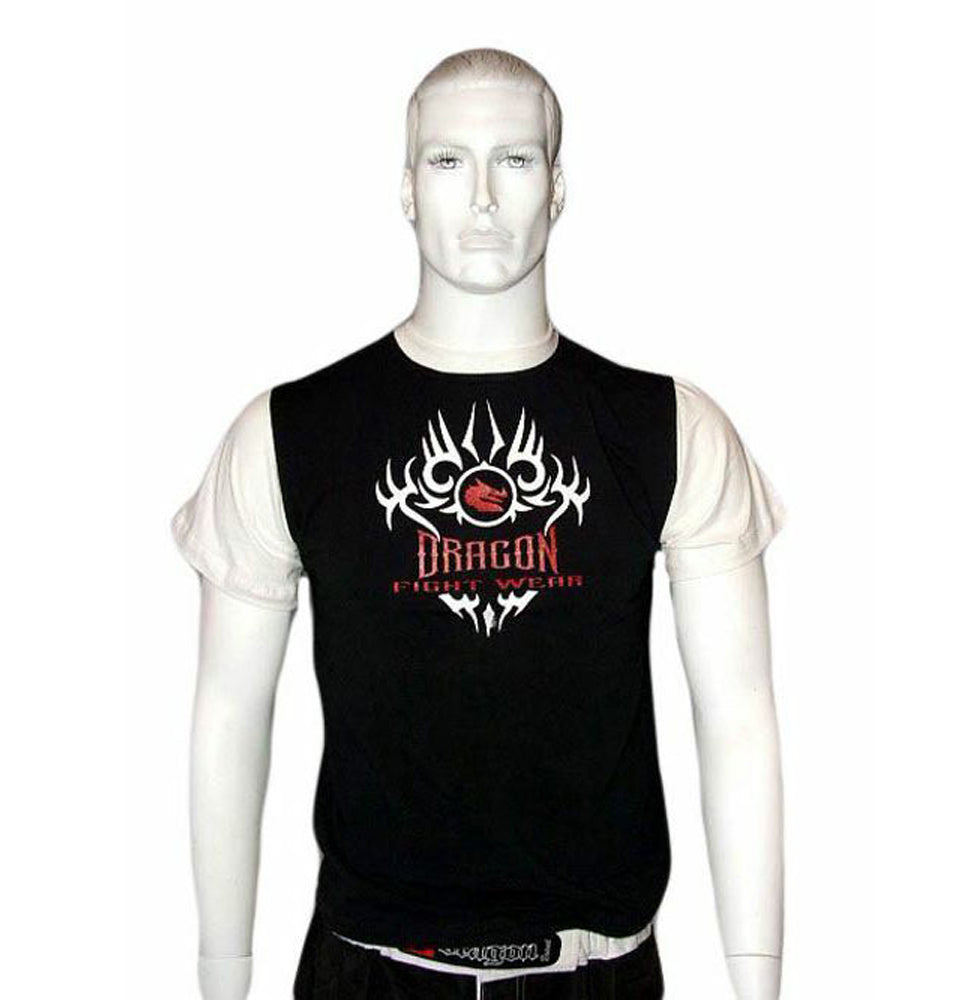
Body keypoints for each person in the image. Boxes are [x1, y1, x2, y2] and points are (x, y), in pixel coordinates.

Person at [172, 48, 787, 1000]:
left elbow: (738, 717)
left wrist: (758, 977)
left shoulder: (669, 429)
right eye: (449, 161)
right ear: (407, 189)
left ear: (559, 187)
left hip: (598, 971)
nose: (485, 198)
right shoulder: (290, 434)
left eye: (517, 159)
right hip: (372, 970)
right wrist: (223, 971)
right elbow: (228, 712)